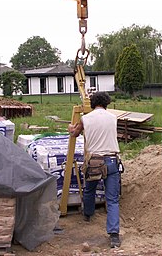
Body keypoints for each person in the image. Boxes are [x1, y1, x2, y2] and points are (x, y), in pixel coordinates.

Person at [68, 91, 121, 248]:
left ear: (92, 103)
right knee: (112, 199)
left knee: (89, 189)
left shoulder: (85, 119)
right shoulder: (113, 117)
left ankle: (88, 214)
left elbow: (74, 133)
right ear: (106, 103)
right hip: (111, 161)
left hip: (94, 162)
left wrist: (70, 127)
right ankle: (114, 236)